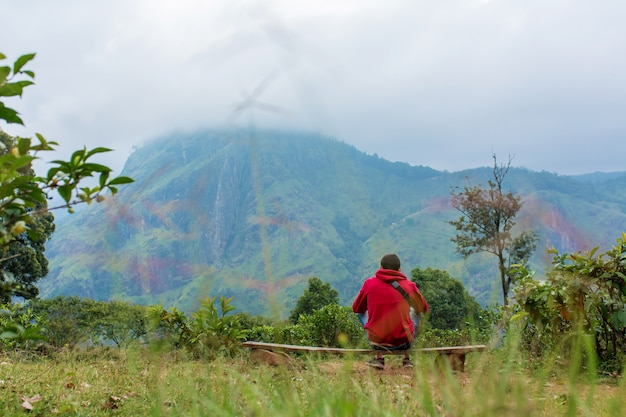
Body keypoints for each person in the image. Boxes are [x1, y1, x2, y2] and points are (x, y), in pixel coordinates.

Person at [352, 253, 428, 369]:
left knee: (362, 312)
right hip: (404, 342)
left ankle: (378, 358)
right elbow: (423, 308)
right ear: (399, 269)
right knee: (415, 311)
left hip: (377, 341)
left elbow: (356, 308)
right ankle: (406, 359)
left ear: (381, 268)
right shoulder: (409, 286)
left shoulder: (369, 284)